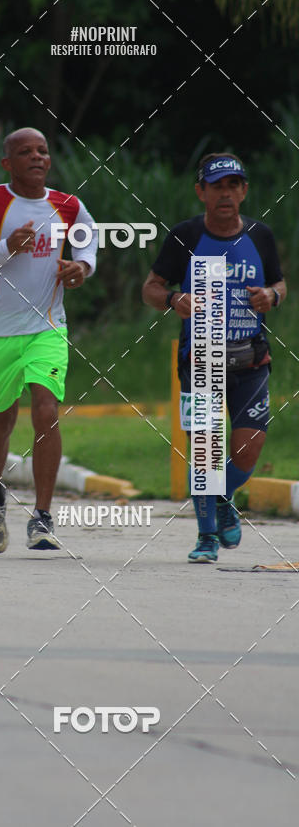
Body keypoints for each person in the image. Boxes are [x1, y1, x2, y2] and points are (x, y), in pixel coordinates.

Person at [0, 127, 98, 553]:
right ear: (7, 164)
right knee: (1, 421)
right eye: (25, 152)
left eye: (43, 150)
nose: (36, 157)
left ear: (49, 160)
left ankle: (43, 516)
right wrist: (3, 248)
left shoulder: (68, 205)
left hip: (48, 328)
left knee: (47, 409)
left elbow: (89, 243)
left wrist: (82, 269)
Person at [142, 152, 287, 562]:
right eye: (217, 186)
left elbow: (279, 282)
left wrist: (271, 296)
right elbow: (150, 288)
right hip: (201, 358)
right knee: (204, 448)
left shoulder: (261, 235)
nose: (226, 194)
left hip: (251, 359)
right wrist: (174, 299)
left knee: (248, 450)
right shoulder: (185, 236)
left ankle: (223, 496)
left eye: (233, 186)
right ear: (201, 192)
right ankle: (206, 538)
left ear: (243, 191)